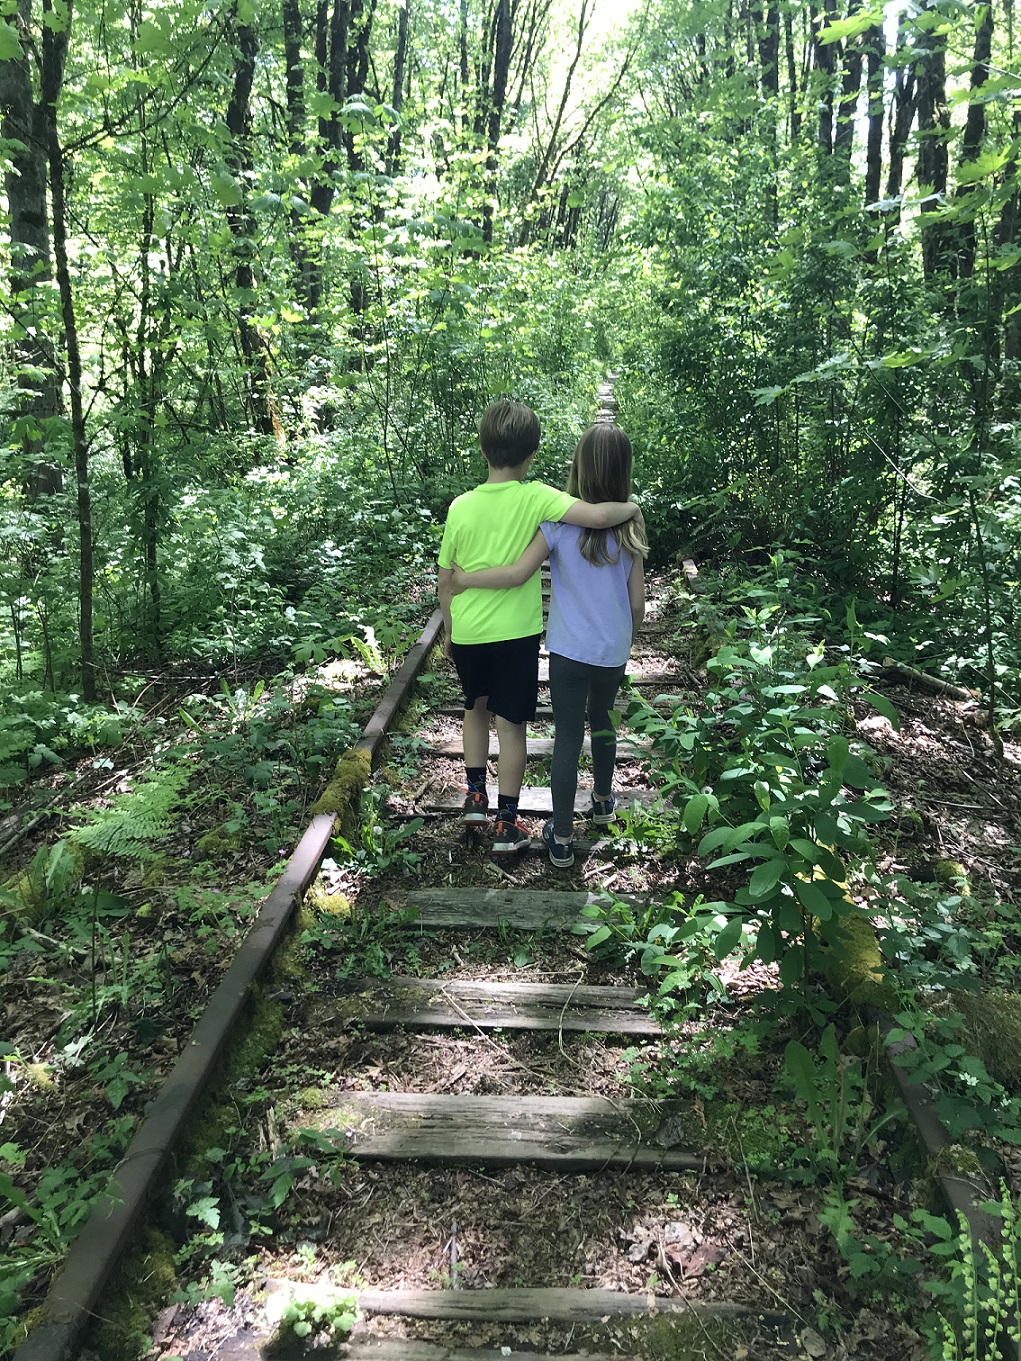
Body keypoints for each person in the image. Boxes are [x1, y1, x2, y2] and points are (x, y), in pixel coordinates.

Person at [437, 402, 643, 855]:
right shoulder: (582, 513)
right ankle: (572, 809)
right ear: (531, 454)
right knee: (582, 722)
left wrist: (458, 604)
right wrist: (629, 637)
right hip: (571, 645)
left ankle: (527, 821)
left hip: (525, 642)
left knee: (517, 721)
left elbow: (487, 576)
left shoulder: (517, 517)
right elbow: (632, 593)